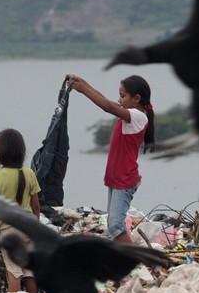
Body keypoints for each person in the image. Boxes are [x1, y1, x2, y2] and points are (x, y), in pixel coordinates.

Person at [66, 74, 155, 243]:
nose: (119, 99)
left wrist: (84, 90)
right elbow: (105, 100)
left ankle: (136, 262)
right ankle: (126, 261)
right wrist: (82, 82)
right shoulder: (129, 113)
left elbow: (107, 106)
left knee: (116, 227)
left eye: (122, 96)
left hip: (125, 179)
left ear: (136, 98)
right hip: (117, 178)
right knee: (113, 225)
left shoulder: (138, 116)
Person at [0, 128, 41, 293]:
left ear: (0, 152)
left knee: (13, 269)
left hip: (9, 228)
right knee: (29, 269)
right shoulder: (29, 173)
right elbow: (36, 206)